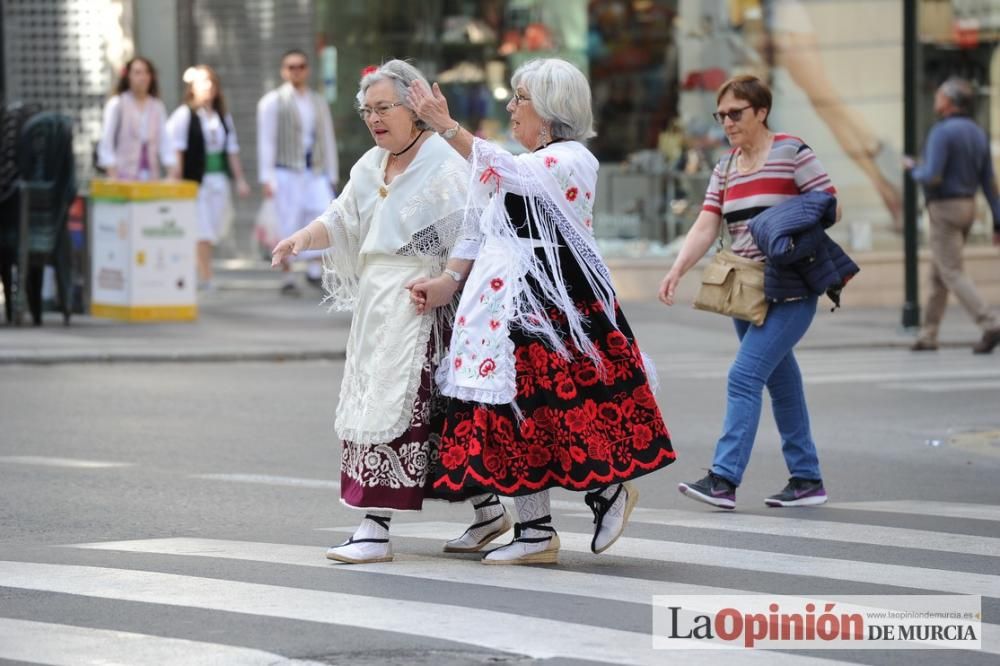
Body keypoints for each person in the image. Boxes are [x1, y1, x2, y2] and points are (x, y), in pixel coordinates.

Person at [407, 58, 676, 565]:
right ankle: (539, 530)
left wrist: (447, 126)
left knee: (544, 413)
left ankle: (599, 496)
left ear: (549, 110)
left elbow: (506, 172)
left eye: (519, 98)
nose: (510, 107)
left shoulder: (571, 158)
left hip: (554, 308)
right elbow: (476, 222)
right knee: (516, 417)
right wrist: (449, 281)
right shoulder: (515, 163)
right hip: (504, 307)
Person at [270, 60, 493, 565]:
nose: (373, 118)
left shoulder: (445, 162)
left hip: (420, 300)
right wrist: (302, 239)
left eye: (383, 108)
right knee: (426, 416)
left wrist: (445, 281)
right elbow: (342, 217)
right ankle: (487, 509)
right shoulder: (371, 163)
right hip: (376, 299)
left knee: (400, 409)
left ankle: (374, 524)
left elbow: (473, 232)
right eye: (366, 110)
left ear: (414, 108)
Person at [658, 74, 837, 510]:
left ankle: (724, 478)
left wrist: (784, 227)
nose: (727, 122)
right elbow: (706, 223)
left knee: (744, 376)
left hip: (790, 285)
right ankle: (807, 478)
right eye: (721, 115)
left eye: (735, 113)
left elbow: (828, 202)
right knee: (783, 385)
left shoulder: (792, 152)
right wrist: (678, 269)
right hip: (744, 288)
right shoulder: (726, 167)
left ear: (760, 111)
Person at [905, 76, 1000, 355]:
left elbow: (932, 175)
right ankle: (928, 334)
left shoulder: (942, 132)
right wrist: (997, 218)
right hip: (969, 206)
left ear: (948, 101)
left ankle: (989, 322)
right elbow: (990, 182)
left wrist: (913, 169)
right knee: (939, 273)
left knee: (952, 271)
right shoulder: (977, 132)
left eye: (939, 96)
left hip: (944, 209)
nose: (936, 100)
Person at [258, 49, 339, 295]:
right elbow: (267, 140)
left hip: (314, 170)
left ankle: (315, 270)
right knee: (287, 221)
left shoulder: (318, 101)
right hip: (285, 171)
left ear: (307, 69)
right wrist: (267, 176)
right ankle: (287, 276)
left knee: (321, 215)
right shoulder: (272, 101)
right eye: (291, 67)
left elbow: (327, 138)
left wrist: (332, 173)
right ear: (284, 71)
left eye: (301, 66)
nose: (296, 71)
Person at [167, 65, 251, 291]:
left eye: (211, 82)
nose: (208, 87)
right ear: (192, 87)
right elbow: (177, 151)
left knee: (213, 228)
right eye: (203, 82)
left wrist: (240, 180)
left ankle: (199, 270)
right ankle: (207, 277)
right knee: (201, 230)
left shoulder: (222, 116)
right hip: (195, 182)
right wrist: (177, 180)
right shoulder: (185, 115)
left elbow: (231, 150)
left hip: (218, 181)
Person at [96, 57, 175, 181]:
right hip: (123, 178)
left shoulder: (157, 106)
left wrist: (171, 172)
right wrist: (113, 175)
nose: (143, 77)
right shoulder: (117, 104)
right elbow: (107, 142)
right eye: (137, 73)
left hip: (151, 178)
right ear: (128, 76)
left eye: (146, 72)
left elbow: (165, 142)